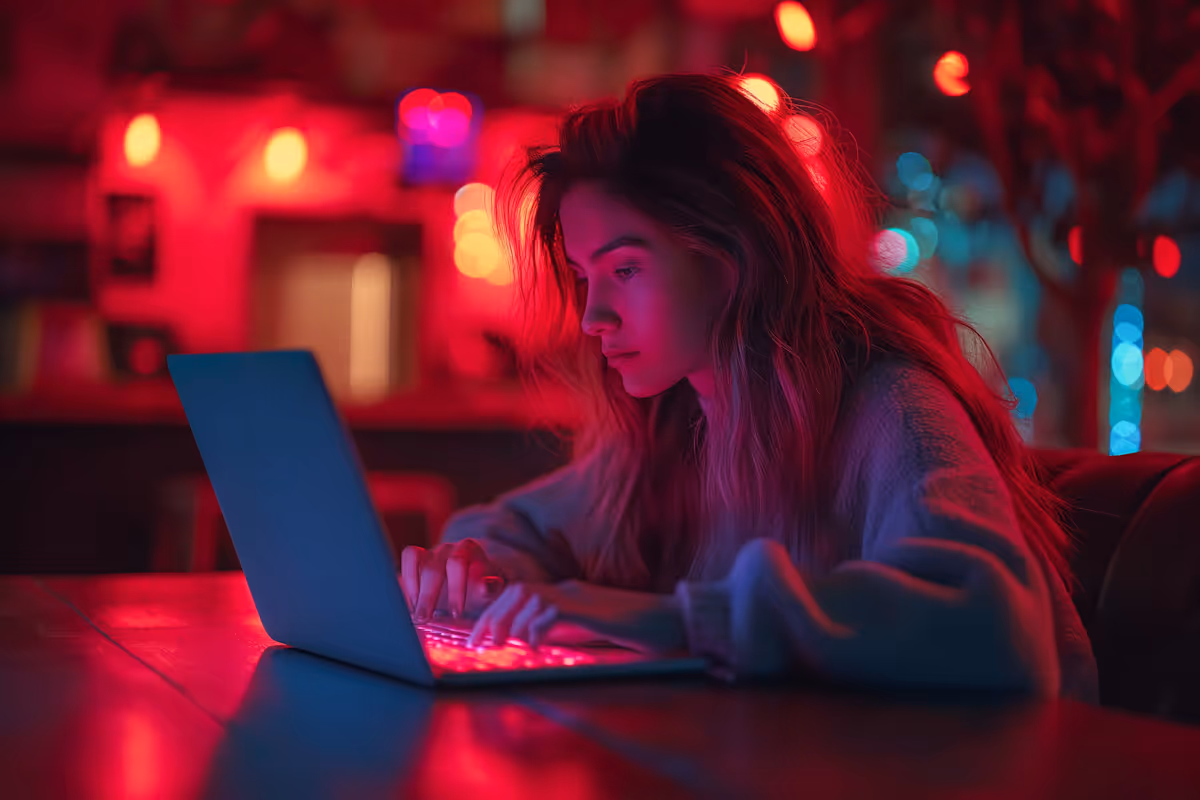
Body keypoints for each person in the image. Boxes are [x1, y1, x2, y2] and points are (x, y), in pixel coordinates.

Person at [400, 72, 1099, 702]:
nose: (592, 317)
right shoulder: (682, 423)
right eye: (586, 278)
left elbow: (992, 626)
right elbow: (511, 526)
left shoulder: (890, 403)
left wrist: (673, 622)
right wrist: (479, 576)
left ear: (734, 253)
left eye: (626, 271)